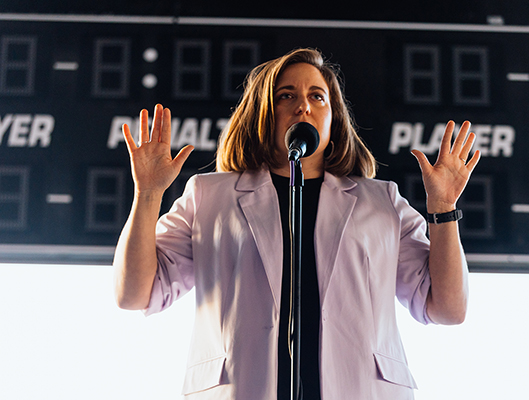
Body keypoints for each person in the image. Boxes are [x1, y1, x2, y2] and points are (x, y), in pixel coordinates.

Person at [113, 48, 480, 400]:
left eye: (317, 97)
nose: (303, 105)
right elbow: (135, 295)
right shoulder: (208, 197)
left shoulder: (382, 202)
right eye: (286, 95)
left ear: (333, 117)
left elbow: (448, 309)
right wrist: (147, 194)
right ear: (263, 112)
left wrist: (443, 208)